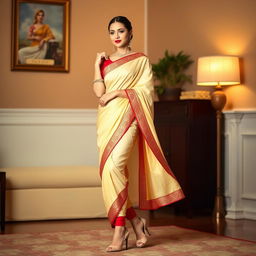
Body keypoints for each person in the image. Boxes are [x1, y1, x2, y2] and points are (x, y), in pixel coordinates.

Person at [93, 16, 185, 252]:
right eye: (112, 31)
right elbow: (99, 91)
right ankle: (136, 222)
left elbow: (144, 92)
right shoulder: (105, 61)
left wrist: (117, 93)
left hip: (130, 117)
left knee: (115, 167)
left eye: (121, 31)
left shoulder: (140, 60)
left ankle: (120, 230)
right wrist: (96, 65)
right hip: (107, 120)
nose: (116, 36)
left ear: (130, 32)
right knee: (111, 172)